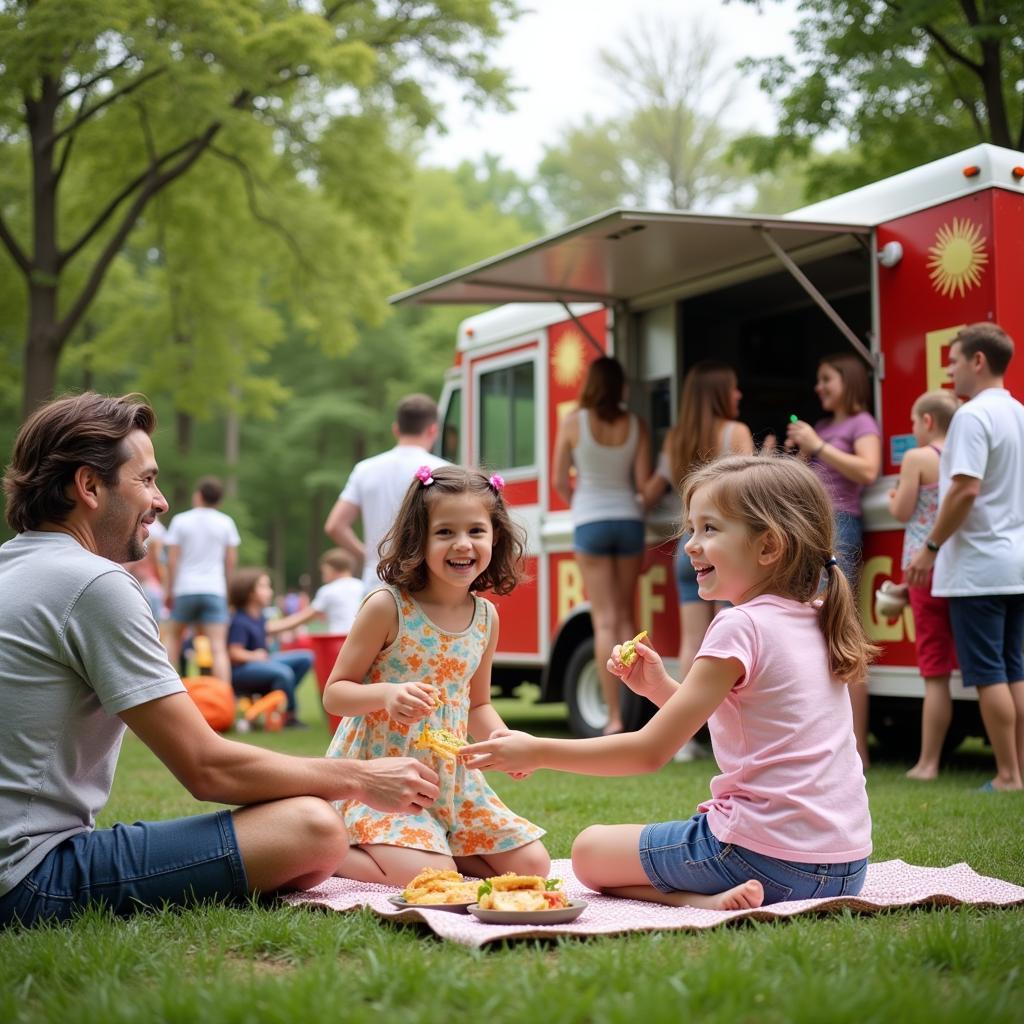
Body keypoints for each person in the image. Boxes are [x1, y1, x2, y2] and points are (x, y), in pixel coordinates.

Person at [0, 393, 439, 928]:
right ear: (89, 486)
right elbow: (206, 767)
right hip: (29, 878)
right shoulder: (93, 584)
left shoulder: (13, 567)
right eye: (146, 480)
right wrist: (361, 778)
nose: (161, 502)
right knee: (312, 827)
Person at [463, 455, 875, 910]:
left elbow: (649, 751)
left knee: (588, 852)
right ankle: (712, 893)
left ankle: (702, 902)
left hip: (760, 859)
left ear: (768, 547)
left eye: (710, 529)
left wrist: (536, 750)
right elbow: (742, 719)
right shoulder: (817, 616)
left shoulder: (740, 625)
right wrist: (658, 687)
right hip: (844, 869)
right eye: (692, 529)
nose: (690, 546)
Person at [324, 464, 550, 887]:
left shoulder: (486, 617)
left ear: (494, 537)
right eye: (445, 532)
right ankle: (326, 848)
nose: (462, 544)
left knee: (533, 867)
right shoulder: (387, 607)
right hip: (382, 778)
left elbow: (477, 704)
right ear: (420, 538)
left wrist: (501, 740)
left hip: (451, 781)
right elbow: (335, 694)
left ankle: (432, 843)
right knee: (433, 876)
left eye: (476, 531)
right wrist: (386, 695)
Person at [907, 323, 1024, 792]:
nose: (950, 369)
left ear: (978, 361)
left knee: (988, 673)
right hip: (1015, 561)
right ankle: (1019, 769)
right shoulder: (1019, 412)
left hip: (977, 567)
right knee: (1015, 668)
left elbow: (964, 490)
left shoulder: (973, 417)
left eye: (954, 360)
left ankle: (1008, 774)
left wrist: (930, 547)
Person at [642, 360, 754, 759]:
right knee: (732, 638)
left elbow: (654, 488)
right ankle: (730, 733)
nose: (739, 395)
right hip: (725, 546)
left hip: (686, 545)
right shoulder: (736, 432)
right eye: (734, 388)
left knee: (693, 642)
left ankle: (684, 738)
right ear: (720, 393)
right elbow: (748, 491)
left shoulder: (675, 438)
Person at [786, 352, 881, 765]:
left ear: (849, 381)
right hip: (811, 528)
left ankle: (855, 748)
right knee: (812, 634)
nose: (819, 388)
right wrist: (798, 456)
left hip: (841, 527)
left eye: (827, 379)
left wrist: (819, 446)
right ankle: (824, 743)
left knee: (839, 631)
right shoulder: (821, 426)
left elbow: (869, 470)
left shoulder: (861, 424)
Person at [553, 356, 651, 734]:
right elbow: (642, 483)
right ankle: (635, 714)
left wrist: (578, 500)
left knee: (604, 620)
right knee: (627, 618)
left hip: (590, 520)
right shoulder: (636, 425)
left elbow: (559, 480)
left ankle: (613, 718)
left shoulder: (573, 423)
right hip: (628, 521)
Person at [886, 389, 960, 780]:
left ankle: (929, 762)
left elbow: (901, 511)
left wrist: (896, 494)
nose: (913, 430)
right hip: (962, 567)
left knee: (934, 670)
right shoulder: (965, 455)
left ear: (928, 421)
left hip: (923, 568)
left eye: (914, 422)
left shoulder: (918, 458)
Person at [324, 394, 447, 595]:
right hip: (427, 579)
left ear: (396, 429)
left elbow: (335, 526)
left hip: (378, 579)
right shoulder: (444, 471)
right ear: (433, 429)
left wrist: (369, 556)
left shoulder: (365, 469)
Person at [163, 476, 241, 684]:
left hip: (185, 589)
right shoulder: (226, 522)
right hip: (214, 589)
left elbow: (172, 560)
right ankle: (224, 701)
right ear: (219, 500)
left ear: (198, 495)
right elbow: (230, 561)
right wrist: (227, 591)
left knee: (174, 639)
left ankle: (168, 691)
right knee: (217, 647)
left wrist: (169, 590)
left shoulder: (181, 520)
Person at [227, 569, 316, 728]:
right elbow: (234, 653)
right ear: (250, 593)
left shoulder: (259, 617)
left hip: (262, 662)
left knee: (306, 658)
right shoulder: (239, 621)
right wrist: (254, 656)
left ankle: (273, 699)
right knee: (283, 672)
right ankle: (289, 716)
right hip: (242, 672)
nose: (270, 591)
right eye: (264, 586)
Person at [272, 549, 364, 637]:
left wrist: (270, 628)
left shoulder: (328, 590)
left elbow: (303, 618)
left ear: (331, 569)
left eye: (323, 571)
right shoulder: (362, 586)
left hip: (340, 640)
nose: (322, 576)